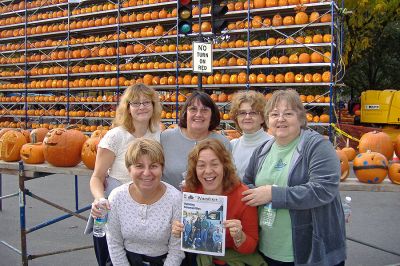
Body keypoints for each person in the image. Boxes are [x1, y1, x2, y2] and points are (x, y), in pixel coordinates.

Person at [242, 89, 346, 266]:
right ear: (267, 120)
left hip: (311, 252)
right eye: (275, 114)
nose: (280, 119)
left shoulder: (317, 146)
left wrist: (273, 194)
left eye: (288, 113)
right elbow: (246, 184)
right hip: (268, 248)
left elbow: (323, 189)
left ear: (300, 118)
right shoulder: (262, 150)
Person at [87, 83, 162, 266]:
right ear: (127, 108)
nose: (142, 107)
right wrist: (99, 199)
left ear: (154, 106)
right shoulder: (115, 136)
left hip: (144, 209)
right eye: (135, 103)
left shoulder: (157, 133)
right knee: (111, 259)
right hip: (114, 207)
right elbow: (97, 177)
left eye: (146, 102)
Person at [172, 139, 265, 266]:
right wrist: (179, 230)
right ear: (194, 169)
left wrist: (239, 236)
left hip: (232, 260)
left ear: (224, 166)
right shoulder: (190, 191)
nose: (208, 171)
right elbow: (188, 232)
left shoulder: (243, 196)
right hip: (198, 257)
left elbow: (251, 246)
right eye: (201, 165)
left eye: (214, 164)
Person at [106, 138, 184, 265]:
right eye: (139, 166)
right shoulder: (117, 197)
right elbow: (114, 243)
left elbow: (176, 250)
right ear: (129, 169)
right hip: (125, 260)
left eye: (153, 166)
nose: (147, 173)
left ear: (162, 168)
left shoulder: (175, 199)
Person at [161, 90, 231, 190]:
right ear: (185, 113)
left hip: (208, 202)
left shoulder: (223, 143)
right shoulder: (165, 138)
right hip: (170, 202)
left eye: (204, 110)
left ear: (212, 115)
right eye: (193, 109)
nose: (198, 114)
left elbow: (228, 178)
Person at [229, 90, 273, 179]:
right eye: (242, 113)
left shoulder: (273, 144)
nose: (247, 117)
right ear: (236, 118)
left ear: (263, 118)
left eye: (253, 112)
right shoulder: (232, 146)